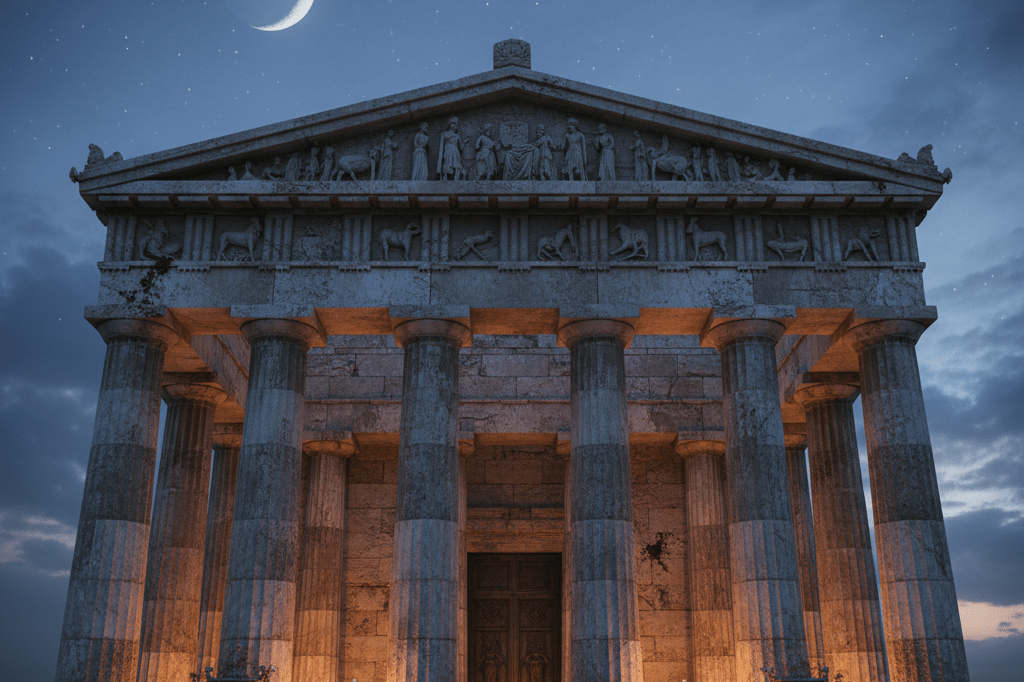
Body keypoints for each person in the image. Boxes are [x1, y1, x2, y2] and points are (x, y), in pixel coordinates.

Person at [437, 116, 465, 180]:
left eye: (456, 125)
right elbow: (442, 146)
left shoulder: (457, 136)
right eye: (454, 124)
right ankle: (445, 177)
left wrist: (465, 142)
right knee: (447, 163)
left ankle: (456, 178)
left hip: (456, 151)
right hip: (448, 150)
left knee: (457, 164)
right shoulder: (444, 134)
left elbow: (461, 148)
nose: (455, 126)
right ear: (451, 125)